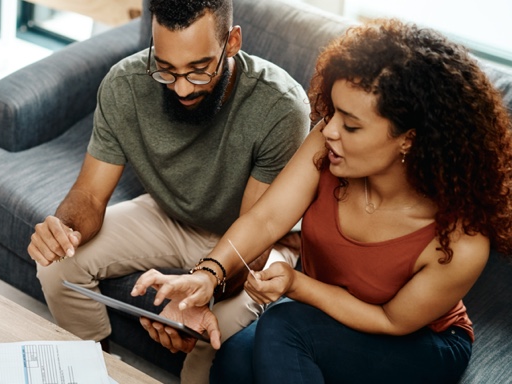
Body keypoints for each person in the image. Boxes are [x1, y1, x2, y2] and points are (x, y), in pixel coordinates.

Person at [132, 18, 512, 383]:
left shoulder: (461, 239)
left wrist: (295, 285)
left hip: (418, 342)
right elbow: (266, 219)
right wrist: (207, 274)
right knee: (231, 364)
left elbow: (389, 320)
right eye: (332, 113)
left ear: (408, 139)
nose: (327, 129)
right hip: (321, 317)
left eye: (351, 125)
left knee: (284, 327)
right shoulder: (329, 146)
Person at [26, 0, 310, 381]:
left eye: (198, 70)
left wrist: (200, 291)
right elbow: (90, 197)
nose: (180, 88)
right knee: (57, 267)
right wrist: (63, 229)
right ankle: (97, 372)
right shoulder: (124, 84)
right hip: (169, 214)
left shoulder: (280, 108)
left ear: (232, 42)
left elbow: (253, 244)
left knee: (215, 333)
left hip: (249, 242)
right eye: (166, 69)